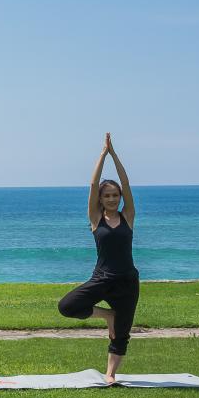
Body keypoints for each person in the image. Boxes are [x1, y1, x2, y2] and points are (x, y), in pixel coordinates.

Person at [58, 133, 139, 383]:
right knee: (68, 306)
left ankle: (110, 374)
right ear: (101, 200)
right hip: (102, 278)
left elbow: (126, 184)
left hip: (127, 282)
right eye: (107, 196)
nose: (112, 199)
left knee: (121, 335)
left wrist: (116, 155)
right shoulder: (96, 220)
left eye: (115, 195)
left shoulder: (128, 216)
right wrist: (103, 155)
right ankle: (108, 316)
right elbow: (93, 186)